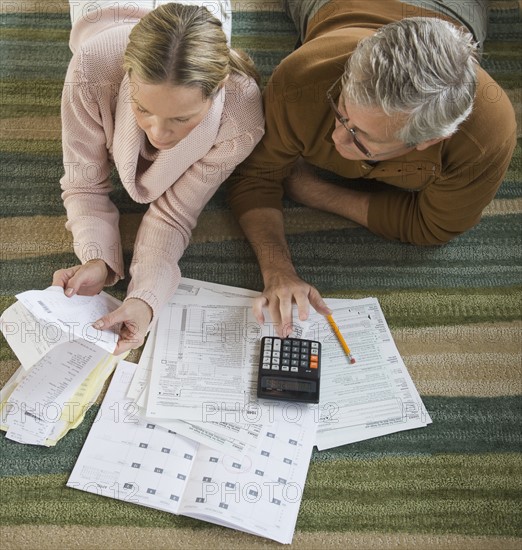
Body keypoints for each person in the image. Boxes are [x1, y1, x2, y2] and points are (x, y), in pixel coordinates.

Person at [227, 0, 517, 336]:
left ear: (431, 139)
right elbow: (253, 175)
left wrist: (313, 191)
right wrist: (278, 270)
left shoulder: (485, 136)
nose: (336, 136)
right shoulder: (302, 78)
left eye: (361, 137)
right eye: (341, 111)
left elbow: (432, 226)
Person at [53, 1, 264, 354]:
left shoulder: (241, 116)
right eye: (143, 109)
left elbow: (174, 213)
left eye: (182, 118)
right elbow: (83, 183)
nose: (159, 133)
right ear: (127, 75)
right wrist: (97, 259)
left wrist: (146, 298)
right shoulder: (90, 67)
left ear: (219, 86)